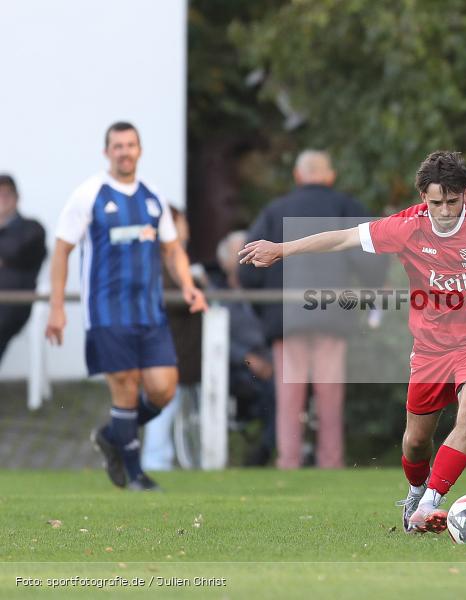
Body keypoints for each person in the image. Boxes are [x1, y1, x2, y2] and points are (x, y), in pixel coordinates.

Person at [240, 150, 466, 533]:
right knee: (415, 444)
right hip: (430, 349)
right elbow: (342, 239)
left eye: (452, 202)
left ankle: (430, 501)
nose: (444, 211)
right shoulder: (405, 226)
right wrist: (282, 249)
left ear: (465, 195)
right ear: (423, 198)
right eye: (436, 202)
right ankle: (416, 488)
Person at [45, 121, 208, 491]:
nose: (124, 151)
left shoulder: (152, 197)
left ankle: (111, 435)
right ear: (107, 152)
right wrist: (57, 307)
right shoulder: (89, 195)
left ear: (139, 150)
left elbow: (171, 249)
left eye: (130, 145)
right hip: (107, 312)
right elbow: (62, 250)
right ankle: (135, 474)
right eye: (117, 146)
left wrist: (187, 286)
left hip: (149, 312)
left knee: (164, 388)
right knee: (126, 387)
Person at [239, 150, 388, 470]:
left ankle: (289, 461)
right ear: (330, 176)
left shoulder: (275, 211)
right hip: (332, 314)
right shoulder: (346, 208)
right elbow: (374, 257)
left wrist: (264, 311)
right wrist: (366, 297)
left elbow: (247, 268)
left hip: (285, 316)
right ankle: (330, 462)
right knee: (329, 397)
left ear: (297, 176)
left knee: (289, 397)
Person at [141, 205, 205, 471]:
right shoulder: (157, 259)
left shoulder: (170, 258)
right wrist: (196, 286)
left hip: (177, 350)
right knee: (162, 408)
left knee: (169, 407)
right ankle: (155, 463)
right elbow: (167, 295)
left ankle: (162, 460)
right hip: (166, 349)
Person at [214, 230, 276, 466]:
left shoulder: (264, 290)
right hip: (237, 368)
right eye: (240, 250)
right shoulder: (217, 293)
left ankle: (267, 449)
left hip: (269, 360)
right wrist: (248, 359)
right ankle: (264, 452)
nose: (248, 255)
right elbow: (215, 340)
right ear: (224, 261)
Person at [0, 174, 46, 362]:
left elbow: (20, 253)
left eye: (6, 194)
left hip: (13, 304)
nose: (2, 199)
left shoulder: (32, 228)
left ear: (16, 198)